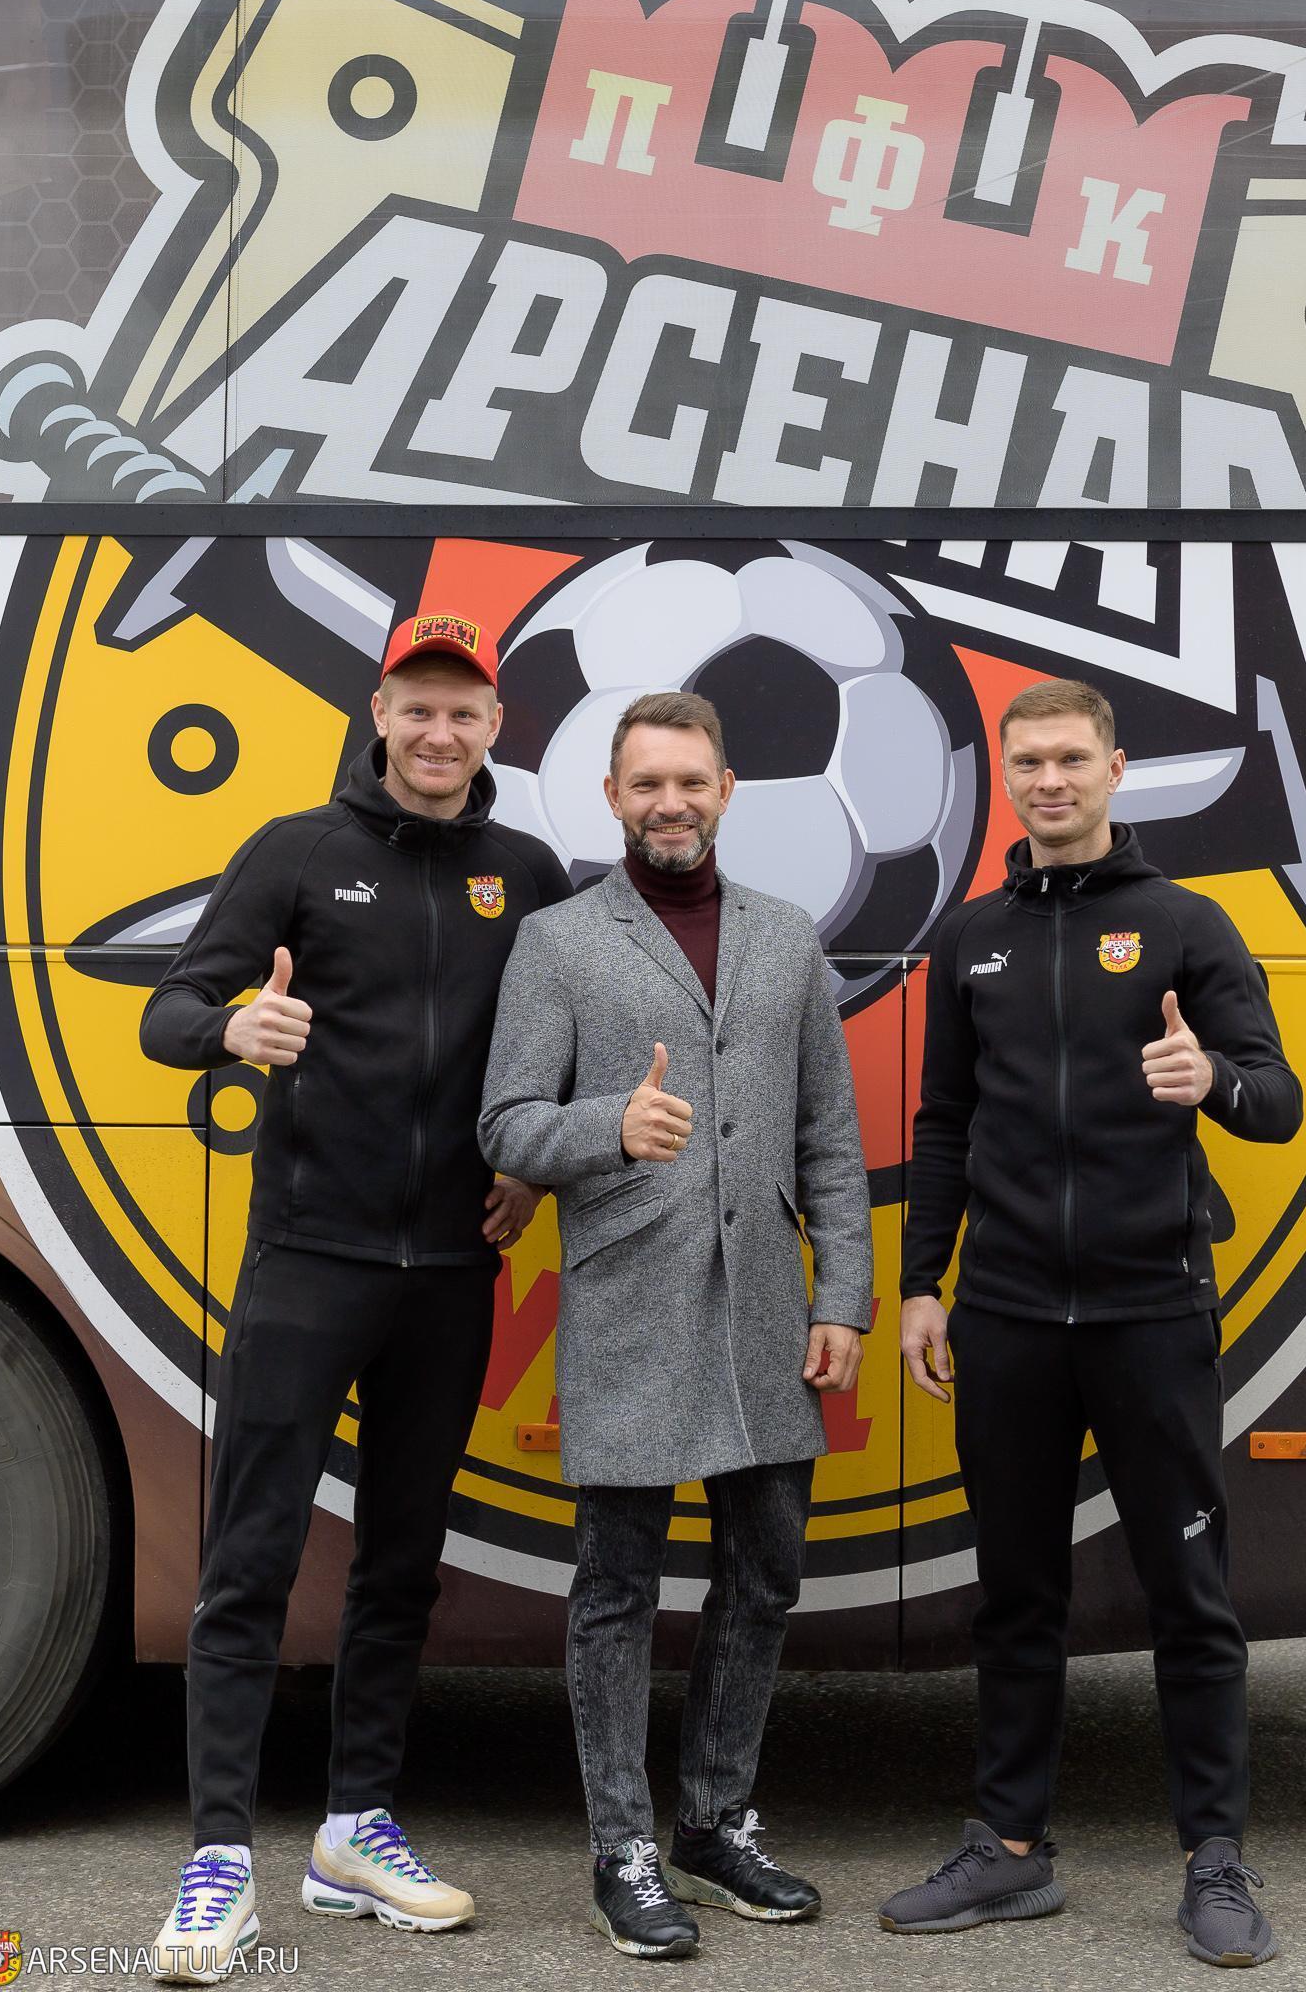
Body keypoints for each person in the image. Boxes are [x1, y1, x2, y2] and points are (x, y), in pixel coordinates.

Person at [140, 609, 570, 1983]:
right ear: (380, 714)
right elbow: (166, 1011)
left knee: (400, 1561)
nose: (440, 732)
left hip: (451, 1271)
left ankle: (354, 1829)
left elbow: (562, 1044)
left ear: (495, 727)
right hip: (309, 1262)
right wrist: (231, 1026)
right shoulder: (295, 851)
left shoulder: (526, 872)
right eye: (418, 706)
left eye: (465, 711)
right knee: (250, 1560)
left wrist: (532, 1165)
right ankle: (218, 1862)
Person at [878, 679, 1301, 1969]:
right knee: (1018, 1593)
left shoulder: (1186, 923)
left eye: (1072, 758)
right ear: (1006, 776)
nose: (1050, 781)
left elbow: (1278, 1098)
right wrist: (923, 1281)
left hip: (1150, 1308)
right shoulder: (972, 936)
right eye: (1030, 763)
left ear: (1117, 768)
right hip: (1008, 1314)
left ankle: (1214, 1859)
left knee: (1190, 1592)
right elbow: (944, 1122)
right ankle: (1009, 1846)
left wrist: (1210, 1076)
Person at [479, 690, 874, 1960]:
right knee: (617, 1587)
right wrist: (611, 1124)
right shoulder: (556, 942)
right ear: (612, 796)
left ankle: (712, 1823)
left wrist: (843, 1296)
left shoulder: (786, 935)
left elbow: (830, 1135)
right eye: (646, 782)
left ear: (726, 790)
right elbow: (504, 1122)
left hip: (765, 1308)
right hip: (630, 1305)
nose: (670, 803)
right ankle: (625, 1849)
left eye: (691, 780)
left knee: (765, 1572)